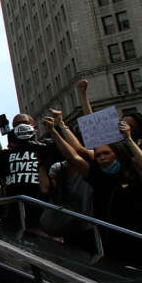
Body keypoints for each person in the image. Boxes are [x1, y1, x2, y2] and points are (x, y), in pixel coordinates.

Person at [43, 112, 142, 261]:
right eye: (98, 155)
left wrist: (128, 139)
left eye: (106, 153)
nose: (102, 158)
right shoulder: (99, 177)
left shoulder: (133, 173)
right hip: (111, 239)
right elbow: (75, 155)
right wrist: (54, 130)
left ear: (118, 154)